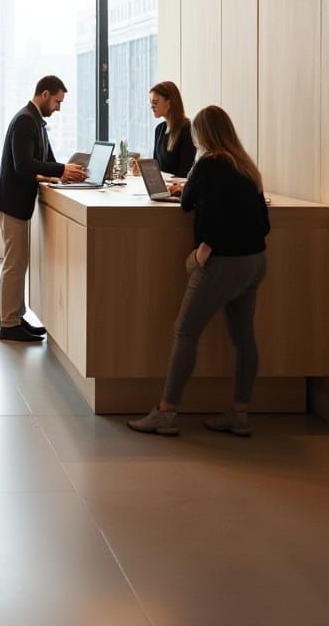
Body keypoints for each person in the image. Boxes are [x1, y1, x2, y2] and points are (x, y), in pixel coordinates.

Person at [128, 105, 270, 437]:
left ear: (201, 134)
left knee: (185, 333)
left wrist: (204, 250)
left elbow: (187, 203)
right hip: (256, 262)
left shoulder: (207, 164)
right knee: (243, 339)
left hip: (223, 263)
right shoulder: (247, 166)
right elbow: (263, 223)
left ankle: (166, 413)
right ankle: (240, 413)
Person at [0, 76, 88, 342]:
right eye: (57, 101)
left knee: (16, 261)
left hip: (15, 201)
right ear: (44, 94)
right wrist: (58, 171)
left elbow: (47, 161)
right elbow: (24, 165)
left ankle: (9, 318)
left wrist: (66, 171)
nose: (58, 107)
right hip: (11, 201)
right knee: (15, 262)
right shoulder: (25, 121)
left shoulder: (37, 123)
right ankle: (9, 323)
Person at [148, 80, 196, 177]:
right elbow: (156, 165)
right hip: (162, 187)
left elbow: (185, 171)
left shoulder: (187, 130)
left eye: (155, 102)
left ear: (169, 103)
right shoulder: (159, 129)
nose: (151, 106)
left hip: (177, 189)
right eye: (151, 102)